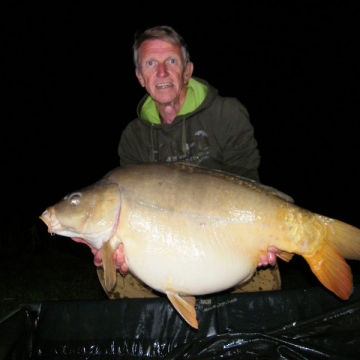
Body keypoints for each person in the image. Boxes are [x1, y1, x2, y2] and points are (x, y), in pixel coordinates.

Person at [95, 25, 281, 299]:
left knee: (265, 281)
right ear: (139, 76)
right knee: (112, 272)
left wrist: (264, 234)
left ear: (187, 71)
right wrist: (118, 250)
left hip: (228, 237)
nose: (161, 72)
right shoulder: (134, 137)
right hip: (168, 246)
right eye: (150, 63)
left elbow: (248, 183)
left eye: (171, 61)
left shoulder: (227, 114)